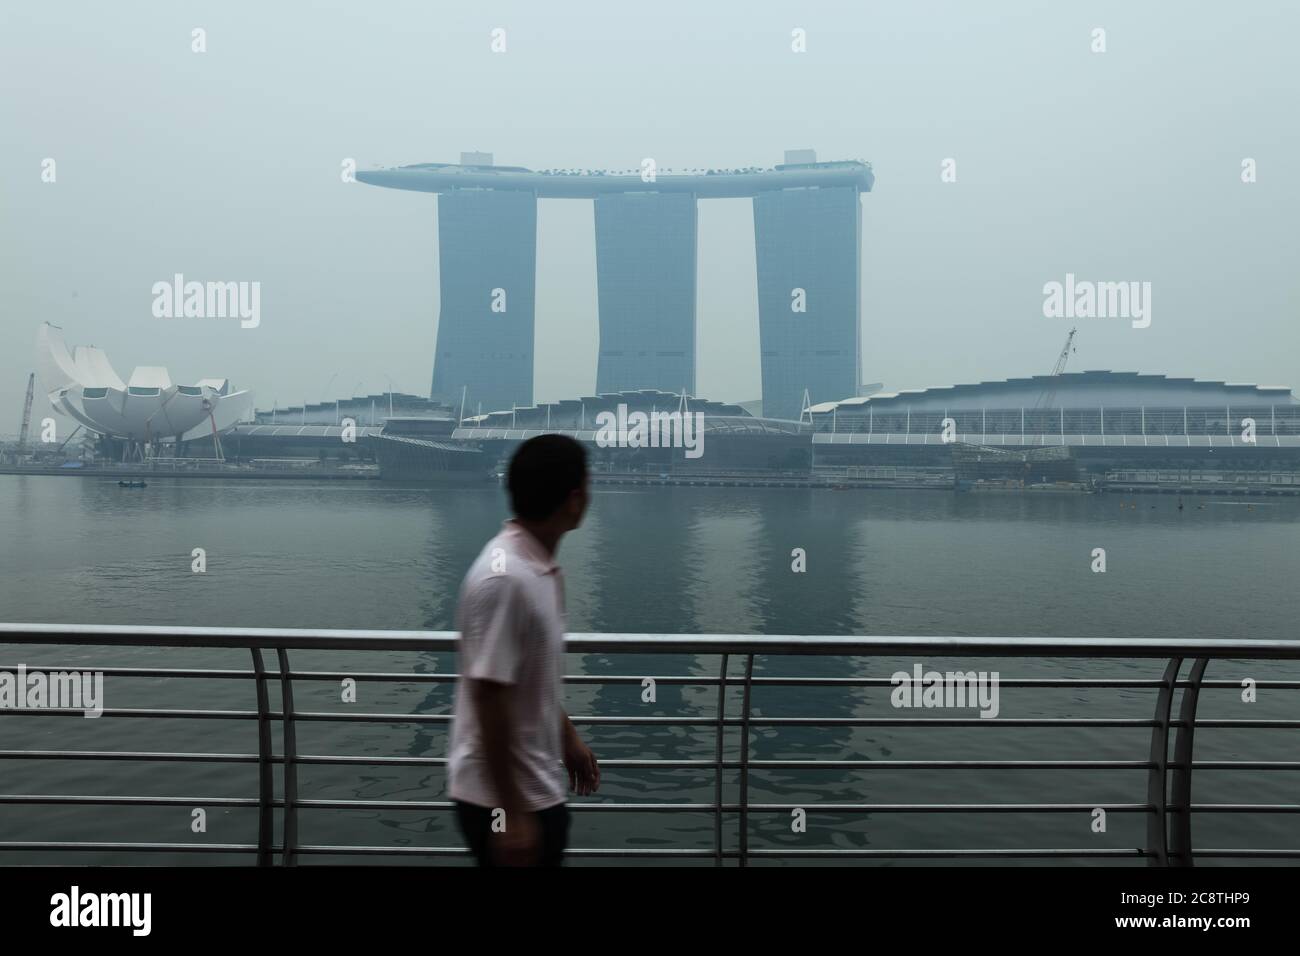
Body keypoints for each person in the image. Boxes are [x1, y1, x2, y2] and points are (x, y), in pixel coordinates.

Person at [448, 434, 601, 866]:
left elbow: (521, 677)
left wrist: (567, 737)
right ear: (574, 499)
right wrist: (512, 814)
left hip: (535, 787)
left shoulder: (538, 569)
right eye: (589, 484)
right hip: (502, 800)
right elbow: (489, 693)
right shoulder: (507, 579)